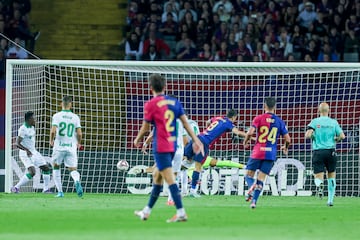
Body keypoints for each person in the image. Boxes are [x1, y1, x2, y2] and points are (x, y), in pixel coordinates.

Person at [133, 73, 204, 222]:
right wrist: (196, 140)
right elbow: (185, 123)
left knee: (170, 179)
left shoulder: (151, 104)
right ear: (165, 87)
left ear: (150, 87)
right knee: (157, 176)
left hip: (161, 147)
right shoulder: (174, 102)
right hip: (173, 146)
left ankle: (181, 212)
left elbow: (146, 127)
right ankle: (146, 212)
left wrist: (138, 139)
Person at [183, 109, 248, 197]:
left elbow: (207, 122)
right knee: (197, 167)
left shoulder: (218, 118)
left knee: (184, 163)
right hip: (203, 143)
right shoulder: (228, 123)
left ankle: (167, 177)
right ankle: (193, 191)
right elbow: (237, 132)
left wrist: (209, 131)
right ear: (234, 117)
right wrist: (250, 136)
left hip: (197, 138)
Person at [243, 97, 291, 209]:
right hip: (270, 154)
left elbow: (250, 132)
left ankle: (252, 186)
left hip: (258, 152)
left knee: (248, 175)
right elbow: (288, 139)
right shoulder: (280, 121)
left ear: (264, 106)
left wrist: (246, 141)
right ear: (275, 107)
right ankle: (254, 202)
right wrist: (285, 147)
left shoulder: (259, 118)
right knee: (261, 179)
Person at [305, 102, 345, 206]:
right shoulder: (333, 122)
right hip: (331, 151)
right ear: (329, 111)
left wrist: (314, 137)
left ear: (318, 111)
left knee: (318, 175)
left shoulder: (315, 121)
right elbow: (342, 136)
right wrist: (336, 139)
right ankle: (330, 200)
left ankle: (319, 184)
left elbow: (308, 135)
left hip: (318, 151)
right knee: (331, 175)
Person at [49, 96, 83, 198]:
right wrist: (79, 142)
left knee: (56, 166)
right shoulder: (75, 117)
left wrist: (51, 140)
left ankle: (60, 192)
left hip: (59, 146)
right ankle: (76, 181)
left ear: (61, 104)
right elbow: (80, 133)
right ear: (70, 105)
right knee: (73, 169)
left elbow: (53, 131)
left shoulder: (57, 116)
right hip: (71, 147)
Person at [11, 111, 52, 193]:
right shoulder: (23, 129)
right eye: (34, 118)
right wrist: (27, 150)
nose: (35, 120)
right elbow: (17, 143)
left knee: (46, 168)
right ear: (29, 119)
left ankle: (46, 189)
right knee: (32, 172)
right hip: (25, 154)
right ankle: (15, 187)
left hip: (33, 152)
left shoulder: (32, 127)